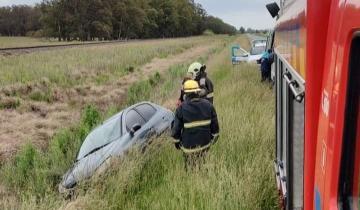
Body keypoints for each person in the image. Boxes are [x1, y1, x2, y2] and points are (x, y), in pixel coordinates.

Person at [171, 80, 220, 170]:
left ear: (185, 94)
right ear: (198, 92)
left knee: (190, 170)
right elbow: (215, 130)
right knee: (205, 167)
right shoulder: (209, 105)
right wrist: (211, 141)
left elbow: (175, 132)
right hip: (205, 146)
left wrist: (178, 144)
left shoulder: (181, 109)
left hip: (188, 150)